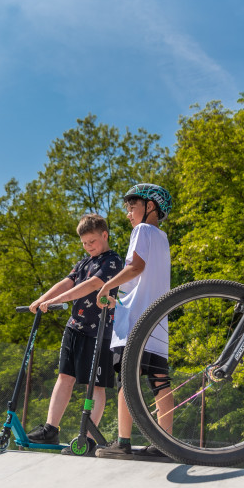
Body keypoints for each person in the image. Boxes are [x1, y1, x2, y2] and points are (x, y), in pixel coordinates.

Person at [25, 214, 124, 446]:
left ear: (105, 235)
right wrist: (42, 299)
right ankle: (51, 428)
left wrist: (56, 301)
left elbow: (89, 286)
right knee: (64, 377)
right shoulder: (83, 262)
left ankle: (88, 439)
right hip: (75, 327)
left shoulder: (112, 261)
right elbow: (68, 281)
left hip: (100, 331)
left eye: (93, 241)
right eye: (84, 243)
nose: (89, 247)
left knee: (97, 385)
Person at [95, 184, 174, 460]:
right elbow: (147, 281)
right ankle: (165, 442)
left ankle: (123, 441)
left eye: (132, 206)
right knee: (160, 382)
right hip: (157, 323)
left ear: (150, 206)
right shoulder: (162, 238)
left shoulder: (141, 231)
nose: (128, 214)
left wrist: (107, 287)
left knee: (126, 382)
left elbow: (135, 268)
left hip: (136, 325)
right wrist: (122, 300)